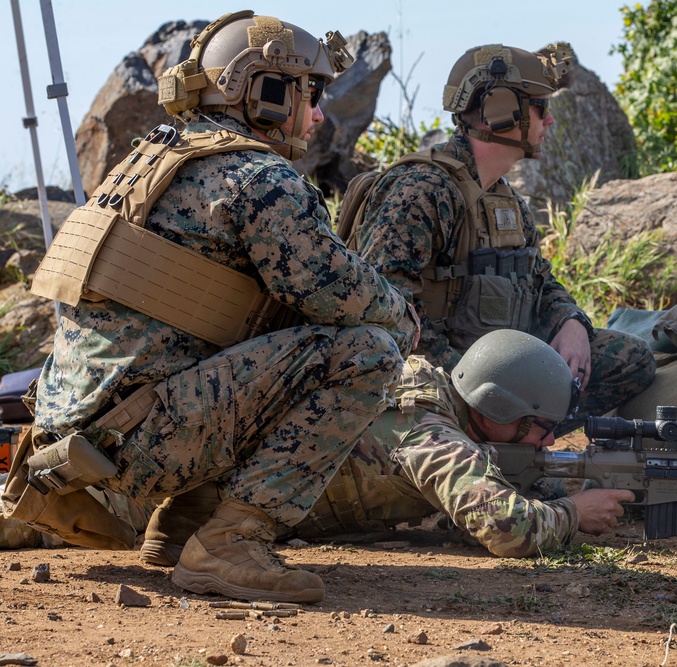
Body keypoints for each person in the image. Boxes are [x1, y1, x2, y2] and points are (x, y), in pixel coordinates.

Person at [4, 11, 418, 604]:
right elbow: (337, 293)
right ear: (269, 92)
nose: (319, 113)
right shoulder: (257, 176)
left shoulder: (147, 163)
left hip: (80, 444)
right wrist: (403, 316)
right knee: (368, 351)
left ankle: (183, 528)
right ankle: (229, 543)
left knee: (274, 333)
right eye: (312, 92)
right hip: (134, 448)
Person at [348, 43, 655, 433]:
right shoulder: (422, 189)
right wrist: (474, 382)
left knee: (630, 359)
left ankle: (521, 445)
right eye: (540, 107)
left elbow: (540, 279)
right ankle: (500, 445)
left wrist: (571, 322)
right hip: (437, 376)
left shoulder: (503, 195)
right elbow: (383, 314)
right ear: (500, 110)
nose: (551, 120)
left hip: (506, 366)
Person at [140, 330, 636, 561]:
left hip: (194, 478)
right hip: (159, 506)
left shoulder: (425, 384)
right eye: (539, 427)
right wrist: (574, 512)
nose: (549, 440)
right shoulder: (430, 434)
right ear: (496, 409)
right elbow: (508, 530)